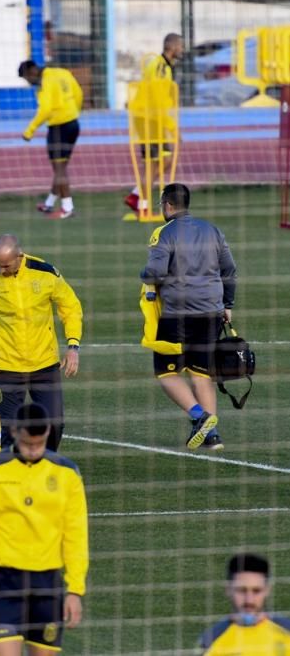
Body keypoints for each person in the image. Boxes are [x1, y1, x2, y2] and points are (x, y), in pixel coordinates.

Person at [0, 402, 89, 655]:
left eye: (39, 444)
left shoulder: (67, 474)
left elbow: (76, 535)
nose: (33, 450)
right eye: (28, 444)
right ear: (16, 431)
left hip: (48, 586)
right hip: (4, 584)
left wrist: (75, 590)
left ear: (48, 432)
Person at [140, 182, 236, 451]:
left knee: (165, 373)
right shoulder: (212, 230)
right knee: (201, 373)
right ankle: (213, 436)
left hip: (177, 314)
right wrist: (227, 303)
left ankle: (200, 416)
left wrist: (143, 273)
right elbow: (230, 270)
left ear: (168, 205)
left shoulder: (164, 233)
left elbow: (155, 273)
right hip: (211, 312)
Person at [0, 234, 82, 451]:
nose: (1, 270)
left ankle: (45, 468)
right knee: (10, 430)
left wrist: (73, 347)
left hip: (45, 364)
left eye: (6, 265)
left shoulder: (45, 273)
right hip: (8, 367)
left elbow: (70, 308)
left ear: (19, 256)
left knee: (54, 424)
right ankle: (9, 478)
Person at [124, 33, 184, 218]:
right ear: (172, 47)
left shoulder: (163, 66)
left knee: (163, 161)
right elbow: (158, 100)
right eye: (180, 46)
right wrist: (173, 128)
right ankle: (141, 204)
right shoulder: (160, 67)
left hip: (152, 118)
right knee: (154, 163)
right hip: (149, 118)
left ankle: (136, 196)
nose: (182, 50)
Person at [18, 60, 82, 219]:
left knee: (59, 169)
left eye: (27, 78)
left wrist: (30, 130)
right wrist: (74, 112)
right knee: (61, 167)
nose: (29, 82)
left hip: (58, 127)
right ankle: (49, 203)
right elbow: (78, 93)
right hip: (73, 123)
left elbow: (45, 110)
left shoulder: (45, 82)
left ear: (32, 71)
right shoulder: (62, 72)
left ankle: (68, 208)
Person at [198, 553, 290, 653]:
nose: (249, 600)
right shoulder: (211, 640)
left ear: (267, 590)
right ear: (228, 589)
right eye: (241, 590)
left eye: (256, 591)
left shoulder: (287, 632)